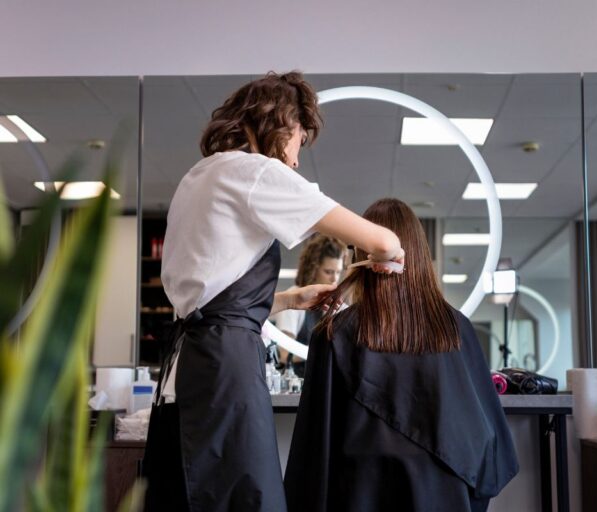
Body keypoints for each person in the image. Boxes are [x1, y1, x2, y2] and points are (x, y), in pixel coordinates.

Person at [142, 72, 404, 512]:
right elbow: (383, 242)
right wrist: (392, 253)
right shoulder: (257, 172)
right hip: (223, 375)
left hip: (182, 375)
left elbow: (206, 296)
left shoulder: (198, 175)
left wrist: (286, 299)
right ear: (280, 124)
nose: (297, 160)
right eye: (299, 140)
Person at [283, 198, 519, 512]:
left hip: (358, 495)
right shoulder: (456, 329)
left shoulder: (334, 333)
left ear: (362, 259)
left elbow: (311, 460)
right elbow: (491, 450)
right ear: (420, 256)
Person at [271, 234, 346, 377]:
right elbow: (284, 354)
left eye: (338, 272)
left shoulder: (339, 306)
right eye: (328, 272)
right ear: (313, 268)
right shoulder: (293, 298)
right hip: (298, 380)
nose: (334, 279)